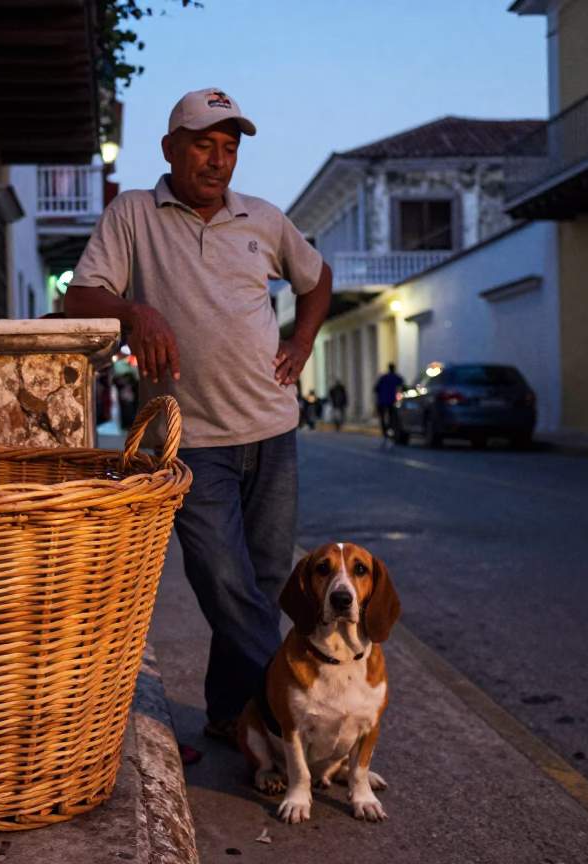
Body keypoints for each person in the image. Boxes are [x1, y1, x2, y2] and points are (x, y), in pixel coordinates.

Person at [63, 88, 333, 755]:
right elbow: (78, 295)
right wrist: (138, 313)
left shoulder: (262, 220)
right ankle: (288, 716)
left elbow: (318, 277)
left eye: (229, 147)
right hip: (190, 440)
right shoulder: (134, 213)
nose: (217, 161)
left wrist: (301, 343)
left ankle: (227, 712)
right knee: (225, 581)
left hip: (271, 427)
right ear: (170, 149)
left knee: (266, 580)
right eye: (204, 144)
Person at [374, 363, 405, 444]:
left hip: (382, 400)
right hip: (391, 400)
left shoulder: (383, 377)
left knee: (383, 417)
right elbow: (403, 386)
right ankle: (390, 429)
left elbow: (376, 388)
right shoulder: (396, 377)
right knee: (392, 416)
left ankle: (385, 431)